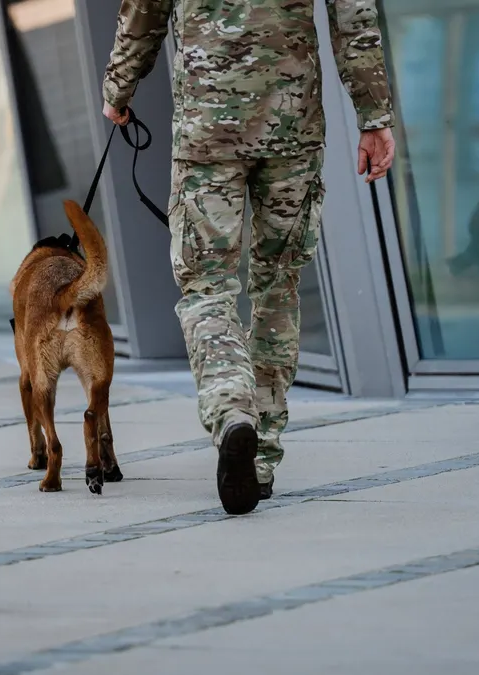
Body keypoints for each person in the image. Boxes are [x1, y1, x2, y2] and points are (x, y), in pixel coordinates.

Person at [101, 0, 396, 515]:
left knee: (206, 286)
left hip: (207, 129)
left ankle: (231, 409)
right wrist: (373, 115)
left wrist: (118, 87)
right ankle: (259, 456)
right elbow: (354, 15)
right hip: (292, 127)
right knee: (278, 286)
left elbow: (145, 8)